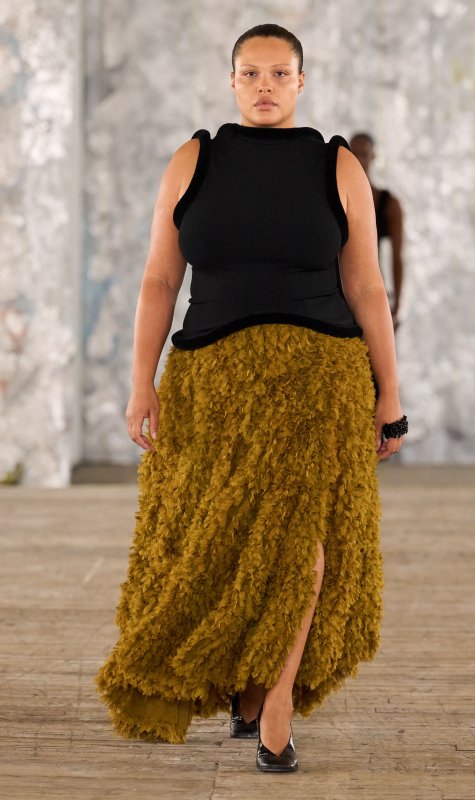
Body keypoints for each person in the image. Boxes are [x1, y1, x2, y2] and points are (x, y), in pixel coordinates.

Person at [94, 23, 408, 774]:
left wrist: (389, 394)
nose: (265, 86)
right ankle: (250, 683)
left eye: (279, 73)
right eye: (251, 73)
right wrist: (141, 382)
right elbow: (159, 280)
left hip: (320, 379)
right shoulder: (193, 159)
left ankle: (276, 707)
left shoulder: (336, 165)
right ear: (231, 81)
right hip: (210, 383)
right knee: (221, 540)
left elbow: (367, 286)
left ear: (301, 82)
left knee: (301, 540)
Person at [349, 132, 404, 332]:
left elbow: (397, 258)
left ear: (373, 157)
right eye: (353, 154)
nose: (358, 160)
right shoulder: (333, 199)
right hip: (339, 294)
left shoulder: (389, 204)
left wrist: (396, 306)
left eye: (363, 154)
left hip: (373, 293)